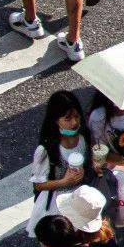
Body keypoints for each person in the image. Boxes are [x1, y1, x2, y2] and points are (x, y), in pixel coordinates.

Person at [26, 91, 97, 237]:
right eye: (67, 119)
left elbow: (91, 162)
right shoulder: (46, 150)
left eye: (76, 117)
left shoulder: (84, 138)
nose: (74, 123)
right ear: (55, 120)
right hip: (58, 206)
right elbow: (38, 185)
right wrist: (64, 182)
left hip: (83, 199)